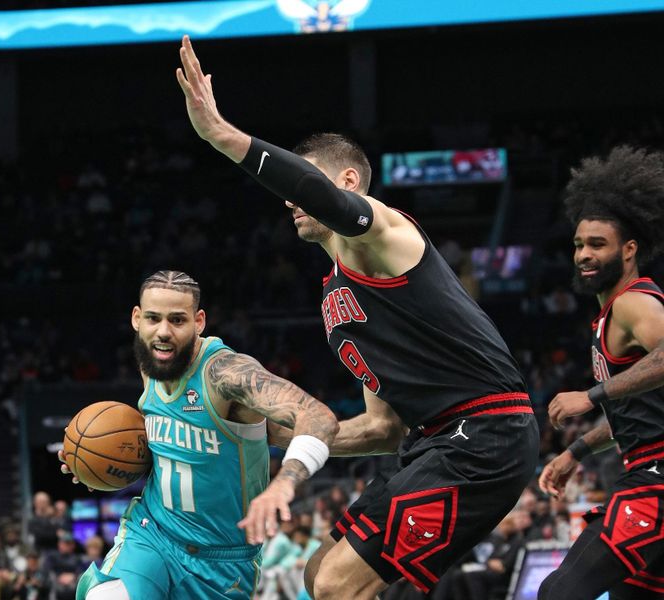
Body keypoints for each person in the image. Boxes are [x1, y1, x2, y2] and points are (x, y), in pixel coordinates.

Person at [177, 35, 539, 599]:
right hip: (428, 439)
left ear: (345, 183)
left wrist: (222, 136)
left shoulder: (386, 233)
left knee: (340, 585)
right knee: (318, 573)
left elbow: (316, 194)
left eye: (309, 183)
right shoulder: (335, 299)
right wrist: (275, 434)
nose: (291, 200)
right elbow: (381, 428)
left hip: (484, 434)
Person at [62, 271, 339, 599]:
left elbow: (318, 417)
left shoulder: (226, 374)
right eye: (153, 318)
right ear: (137, 319)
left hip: (222, 562)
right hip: (153, 535)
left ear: (199, 321)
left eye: (177, 320)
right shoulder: (152, 361)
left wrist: (284, 483)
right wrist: (101, 465)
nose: (163, 331)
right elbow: (169, 448)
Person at [538, 146, 664, 599]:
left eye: (597, 245)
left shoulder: (634, 304)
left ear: (629, 250)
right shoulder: (611, 313)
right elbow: (639, 409)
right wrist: (576, 451)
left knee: (559, 593)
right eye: (577, 245)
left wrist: (591, 396)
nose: (583, 255)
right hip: (645, 470)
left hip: (655, 480)